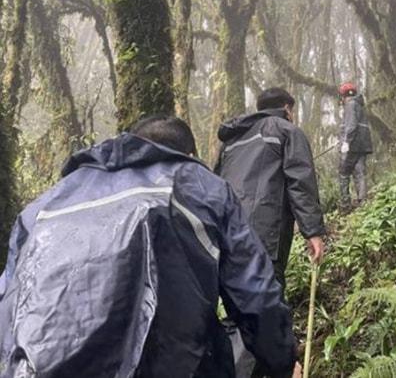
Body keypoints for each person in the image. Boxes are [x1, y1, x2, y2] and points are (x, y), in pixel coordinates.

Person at [0, 116, 296, 378]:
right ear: (190, 154)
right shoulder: (199, 186)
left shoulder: (43, 206)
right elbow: (255, 294)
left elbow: (7, 303)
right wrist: (283, 363)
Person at [215, 87, 326, 290]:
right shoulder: (287, 131)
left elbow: (215, 183)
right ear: (286, 108)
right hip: (266, 233)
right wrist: (313, 232)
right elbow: (300, 183)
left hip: (227, 231)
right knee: (267, 299)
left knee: (237, 300)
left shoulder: (231, 140)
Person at [338, 82, 373, 213]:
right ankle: (362, 202)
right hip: (363, 145)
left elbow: (351, 125)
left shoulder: (350, 104)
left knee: (343, 173)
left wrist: (346, 142)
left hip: (352, 145)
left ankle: (345, 204)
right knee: (360, 173)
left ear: (343, 96)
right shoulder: (359, 105)